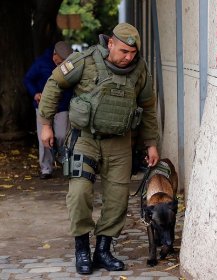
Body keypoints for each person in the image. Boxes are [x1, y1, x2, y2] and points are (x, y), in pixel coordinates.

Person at [38, 23, 159, 275]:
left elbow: (148, 107)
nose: (128, 57)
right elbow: (54, 83)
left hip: (120, 142)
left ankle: (103, 250)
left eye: (133, 53)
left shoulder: (140, 70)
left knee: (117, 199)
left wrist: (151, 144)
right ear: (111, 43)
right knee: (80, 192)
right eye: (124, 51)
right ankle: (82, 248)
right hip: (85, 139)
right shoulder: (85, 60)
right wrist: (46, 124)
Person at [24, 41, 74, 179]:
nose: (64, 63)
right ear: (55, 55)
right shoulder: (40, 63)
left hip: (62, 106)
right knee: (44, 139)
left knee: (63, 135)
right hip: (42, 107)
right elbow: (28, 79)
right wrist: (35, 93)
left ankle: (64, 160)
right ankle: (46, 168)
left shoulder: (69, 64)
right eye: (61, 60)